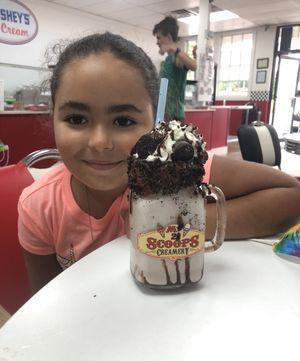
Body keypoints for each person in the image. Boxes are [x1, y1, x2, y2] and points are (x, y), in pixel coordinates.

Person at [18, 32, 300, 295]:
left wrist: (183, 224)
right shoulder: (39, 207)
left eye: (124, 121)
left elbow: (291, 196)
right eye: (77, 119)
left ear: (155, 123)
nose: (100, 142)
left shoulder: (177, 172)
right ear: (52, 114)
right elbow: (44, 300)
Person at [153, 16, 196, 121]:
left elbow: (194, 66)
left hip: (174, 116)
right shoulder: (167, 60)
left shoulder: (178, 57)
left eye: (159, 37)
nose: (157, 42)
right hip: (162, 114)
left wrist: (174, 49)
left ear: (168, 36)